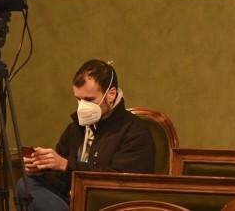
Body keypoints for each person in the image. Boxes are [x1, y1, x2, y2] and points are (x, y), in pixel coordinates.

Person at [16, 60, 154, 211]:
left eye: (89, 100)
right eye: (78, 99)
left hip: (108, 205)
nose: (82, 107)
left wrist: (66, 165)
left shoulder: (134, 131)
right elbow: (63, 181)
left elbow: (120, 186)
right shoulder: (75, 128)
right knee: (26, 185)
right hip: (72, 201)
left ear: (111, 94)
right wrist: (42, 169)